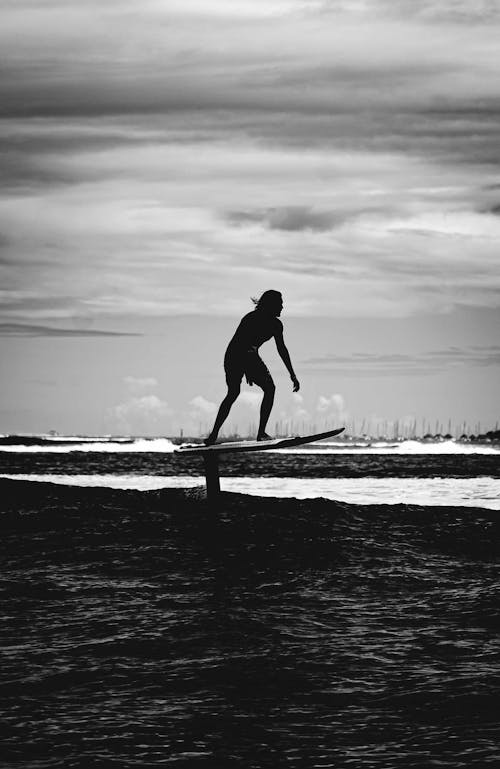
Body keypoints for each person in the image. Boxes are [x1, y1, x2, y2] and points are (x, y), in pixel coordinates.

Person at [205, 290, 300, 445]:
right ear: (271, 305)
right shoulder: (251, 318)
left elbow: (282, 349)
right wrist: (248, 369)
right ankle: (213, 435)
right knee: (234, 392)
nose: (282, 307)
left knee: (270, 389)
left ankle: (261, 433)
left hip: (250, 356)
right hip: (234, 355)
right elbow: (240, 343)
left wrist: (292, 374)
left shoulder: (277, 325)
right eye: (280, 304)